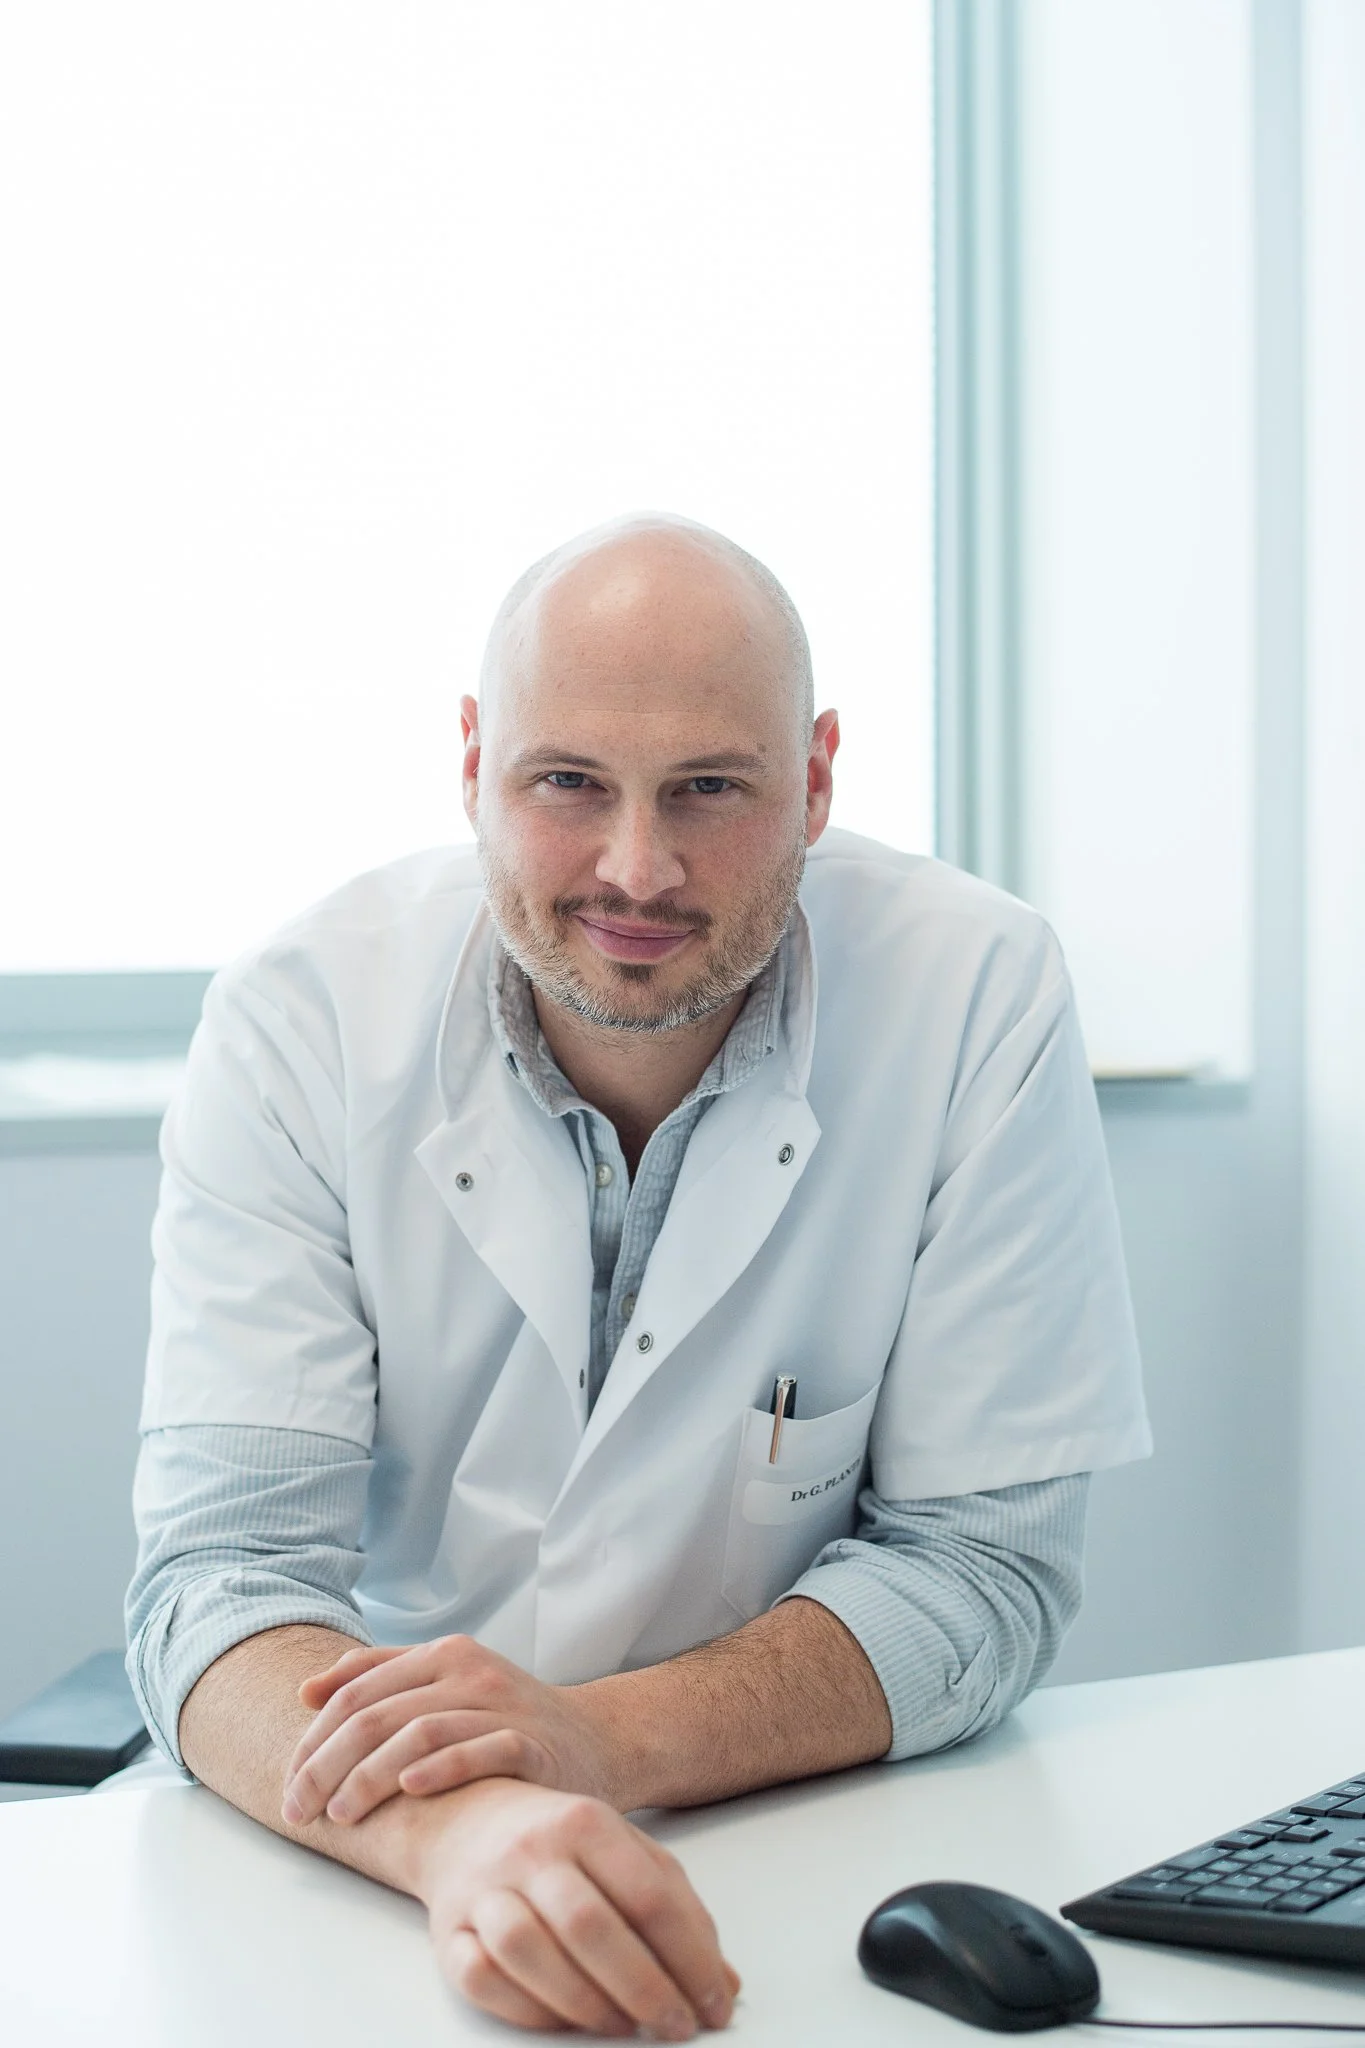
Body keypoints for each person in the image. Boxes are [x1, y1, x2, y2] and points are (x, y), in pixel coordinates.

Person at [126, 513, 1149, 2039]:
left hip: (812, 1838)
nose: (637, 867)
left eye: (711, 790)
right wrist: (463, 1833)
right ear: (474, 760)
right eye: (568, 785)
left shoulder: (975, 992)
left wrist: (589, 1744)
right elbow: (218, 1582)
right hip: (363, 1860)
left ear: (815, 777)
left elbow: (985, 1571)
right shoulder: (302, 1019)